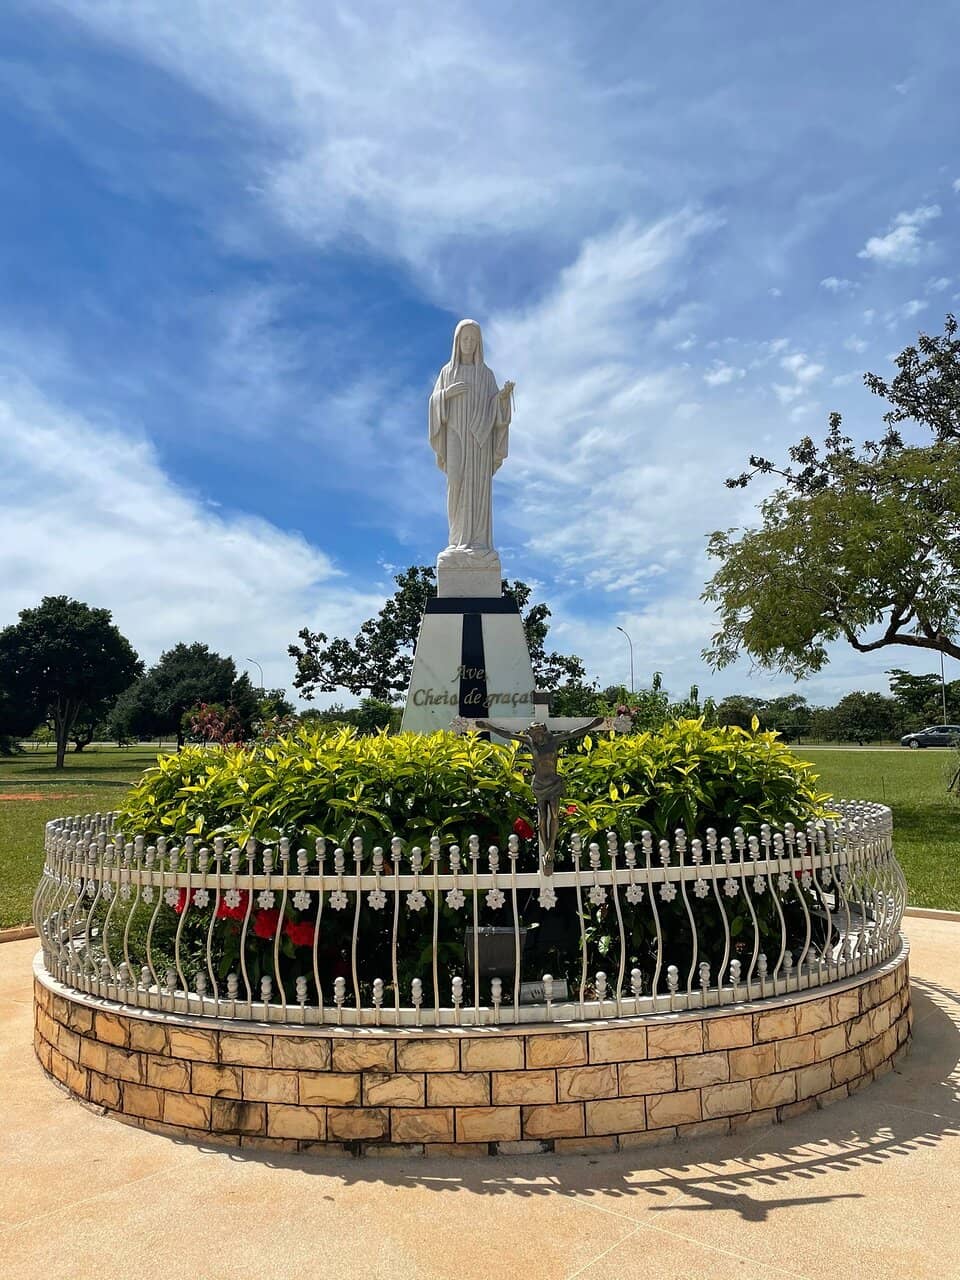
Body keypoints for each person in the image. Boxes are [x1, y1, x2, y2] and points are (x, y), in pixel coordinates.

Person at [476, 718, 603, 874]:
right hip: (540, 785)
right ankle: (546, 850)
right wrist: (488, 727)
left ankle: (551, 848)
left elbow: (572, 733)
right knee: (542, 817)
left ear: (543, 733)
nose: (536, 738)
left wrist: (592, 726)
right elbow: (508, 735)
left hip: (554, 783)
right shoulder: (530, 742)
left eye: (538, 735)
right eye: (533, 735)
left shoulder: (554, 741)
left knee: (555, 815)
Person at [429, 319, 514, 552]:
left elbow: (494, 405)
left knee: (478, 487)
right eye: (464, 339)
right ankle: (456, 540)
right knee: (455, 483)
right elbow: (433, 402)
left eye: (473, 340)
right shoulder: (447, 372)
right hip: (455, 434)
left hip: (479, 439)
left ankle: (478, 543)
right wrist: (446, 394)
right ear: (457, 342)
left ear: (478, 344)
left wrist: (503, 397)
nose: (468, 343)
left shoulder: (486, 375)